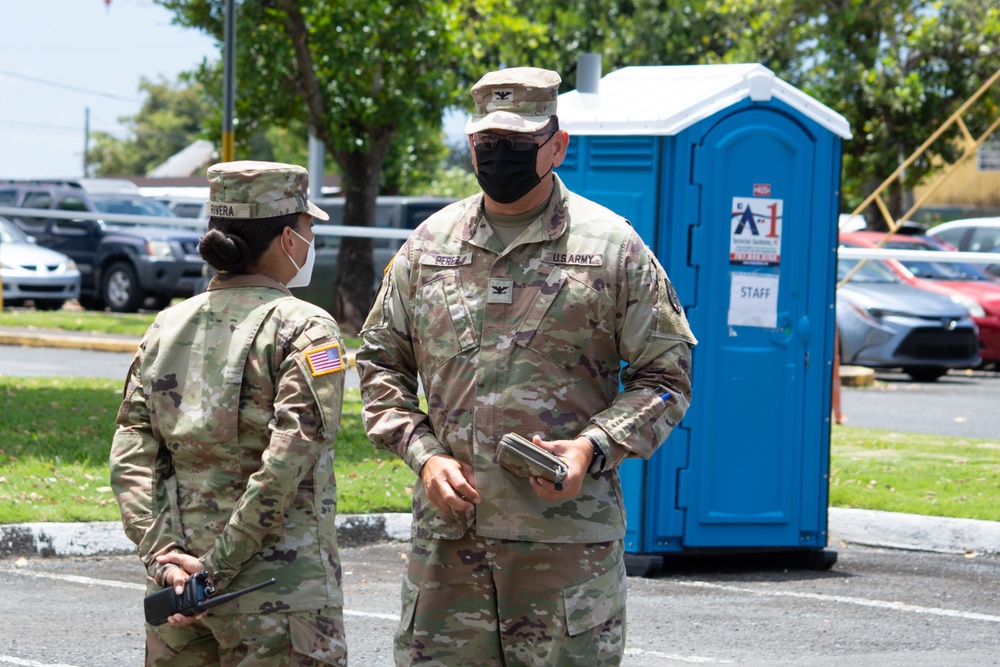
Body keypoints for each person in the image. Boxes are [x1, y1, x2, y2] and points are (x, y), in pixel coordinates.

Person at [356, 67, 697, 666]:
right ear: (471, 147)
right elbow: (380, 363)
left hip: (565, 551)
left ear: (558, 145)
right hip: (448, 551)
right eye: (489, 146)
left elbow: (666, 379)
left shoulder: (613, 247)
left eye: (517, 145)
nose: (500, 157)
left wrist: (591, 447)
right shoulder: (428, 245)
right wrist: (424, 454)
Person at [110, 160, 349, 666]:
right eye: (309, 228)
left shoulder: (166, 326)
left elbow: (130, 456)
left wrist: (166, 563)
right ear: (288, 238)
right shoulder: (306, 327)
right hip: (277, 597)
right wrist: (217, 568)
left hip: (180, 596)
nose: (310, 240)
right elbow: (291, 458)